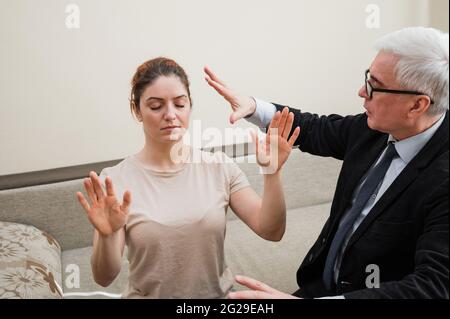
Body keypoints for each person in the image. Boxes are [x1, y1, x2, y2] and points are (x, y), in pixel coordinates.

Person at [205, 26, 449, 299]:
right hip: (318, 288)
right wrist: (252, 106)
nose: (361, 92)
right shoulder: (376, 127)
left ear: (417, 106)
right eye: (367, 78)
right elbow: (316, 129)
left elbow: (432, 288)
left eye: (374, 86)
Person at [75, 57, 300, 298]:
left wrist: (272, 173)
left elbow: (271, 231)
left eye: (179, 104)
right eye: (155, 106)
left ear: (189, 106)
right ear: (137, 110)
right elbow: (104, 277)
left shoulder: (220, 167)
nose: (170, 115)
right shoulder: (115, 181)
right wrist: (108, 235)